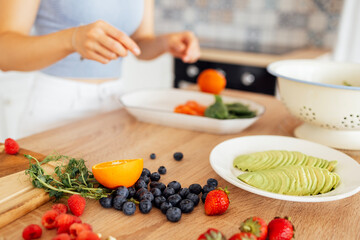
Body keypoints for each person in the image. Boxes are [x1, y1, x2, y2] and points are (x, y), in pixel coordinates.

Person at [0, 0, 200, 139]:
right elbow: (5, 51)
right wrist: (72, 39)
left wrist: (165, 43)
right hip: (56, 108)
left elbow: (140, 43)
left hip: (115, 104)